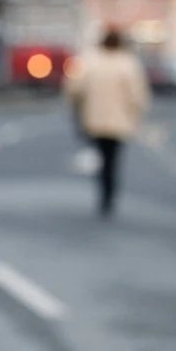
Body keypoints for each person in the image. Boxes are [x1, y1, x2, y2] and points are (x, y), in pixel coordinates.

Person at [64, 28, 150, 217]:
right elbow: (137, 95)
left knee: (100, 158)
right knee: (113, 160)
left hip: (93, 120)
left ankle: (103, 191)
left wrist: (76, 108)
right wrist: (136, 115)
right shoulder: (128, 63)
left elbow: (74, 87)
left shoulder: (89, 61)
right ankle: (109, 194)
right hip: (119, 122)